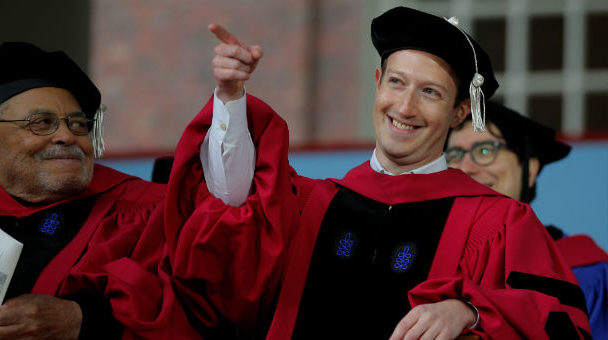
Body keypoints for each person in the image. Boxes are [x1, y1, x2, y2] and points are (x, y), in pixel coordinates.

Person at [163, 6, 592, 340]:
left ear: (461, 112)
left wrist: (472, 310)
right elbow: (228, 226)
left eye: (430, 92)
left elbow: (559, 321)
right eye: (397, 83)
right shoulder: (307, 204)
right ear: (377, 82)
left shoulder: (499, 222)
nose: (405, 108)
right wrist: (231, 97)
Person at [0, 42, 226, 339]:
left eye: (78, 125)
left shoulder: (149, 212)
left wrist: (83, 320)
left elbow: (205, 312)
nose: (66, 136)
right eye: (41, 123)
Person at [445, 100, 608, 340]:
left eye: (485, 150)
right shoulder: (436, 265)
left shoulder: (585, 273)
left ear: (530, 169)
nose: (465, 168)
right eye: (455, 155)